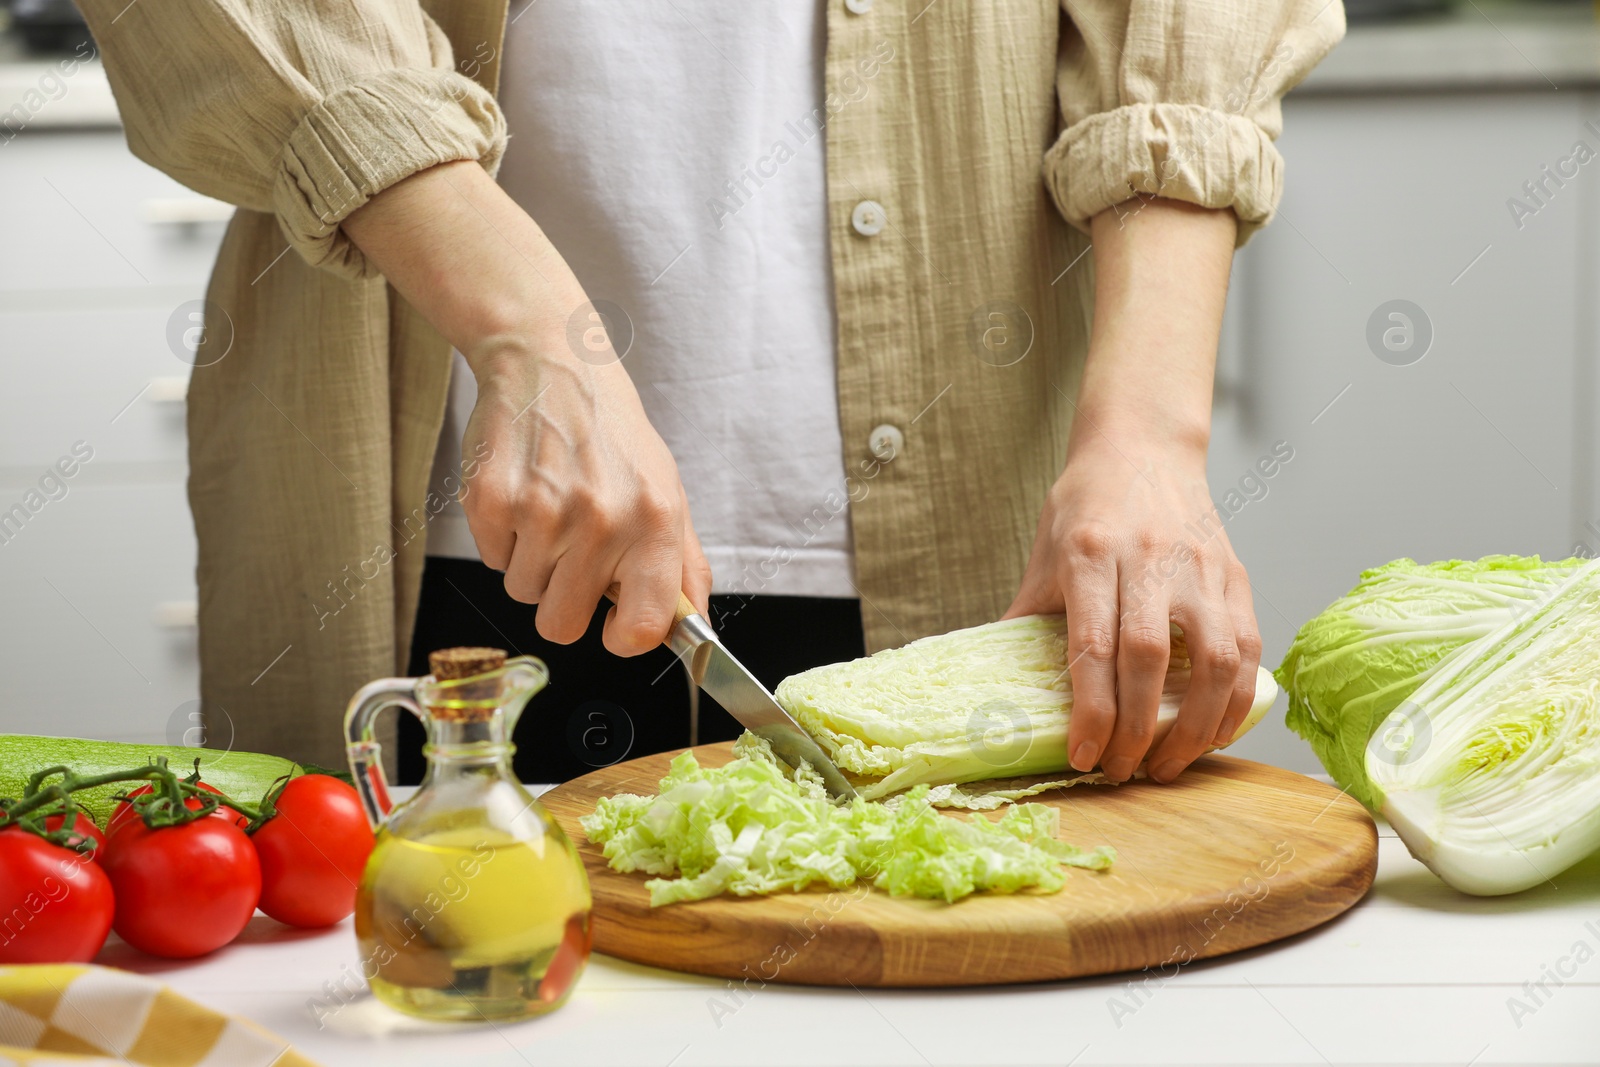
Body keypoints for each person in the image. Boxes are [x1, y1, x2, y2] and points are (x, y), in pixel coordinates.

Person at [77, 0, 1344, 783]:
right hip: (463, 547)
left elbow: (1189, 35)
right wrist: (531, 338)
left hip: (992, 566)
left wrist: (1149, 436)